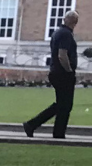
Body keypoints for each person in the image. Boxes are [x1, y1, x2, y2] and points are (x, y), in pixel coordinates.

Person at [24, 10, 78, 139]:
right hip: (63, 74)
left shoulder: (57, 33)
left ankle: (49, 129)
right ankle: (36, 126)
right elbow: (62, 55)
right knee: (65, 104)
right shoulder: (66, 34)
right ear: (74, 22)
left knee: (62, 104)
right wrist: (69, 71)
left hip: (55, 72)